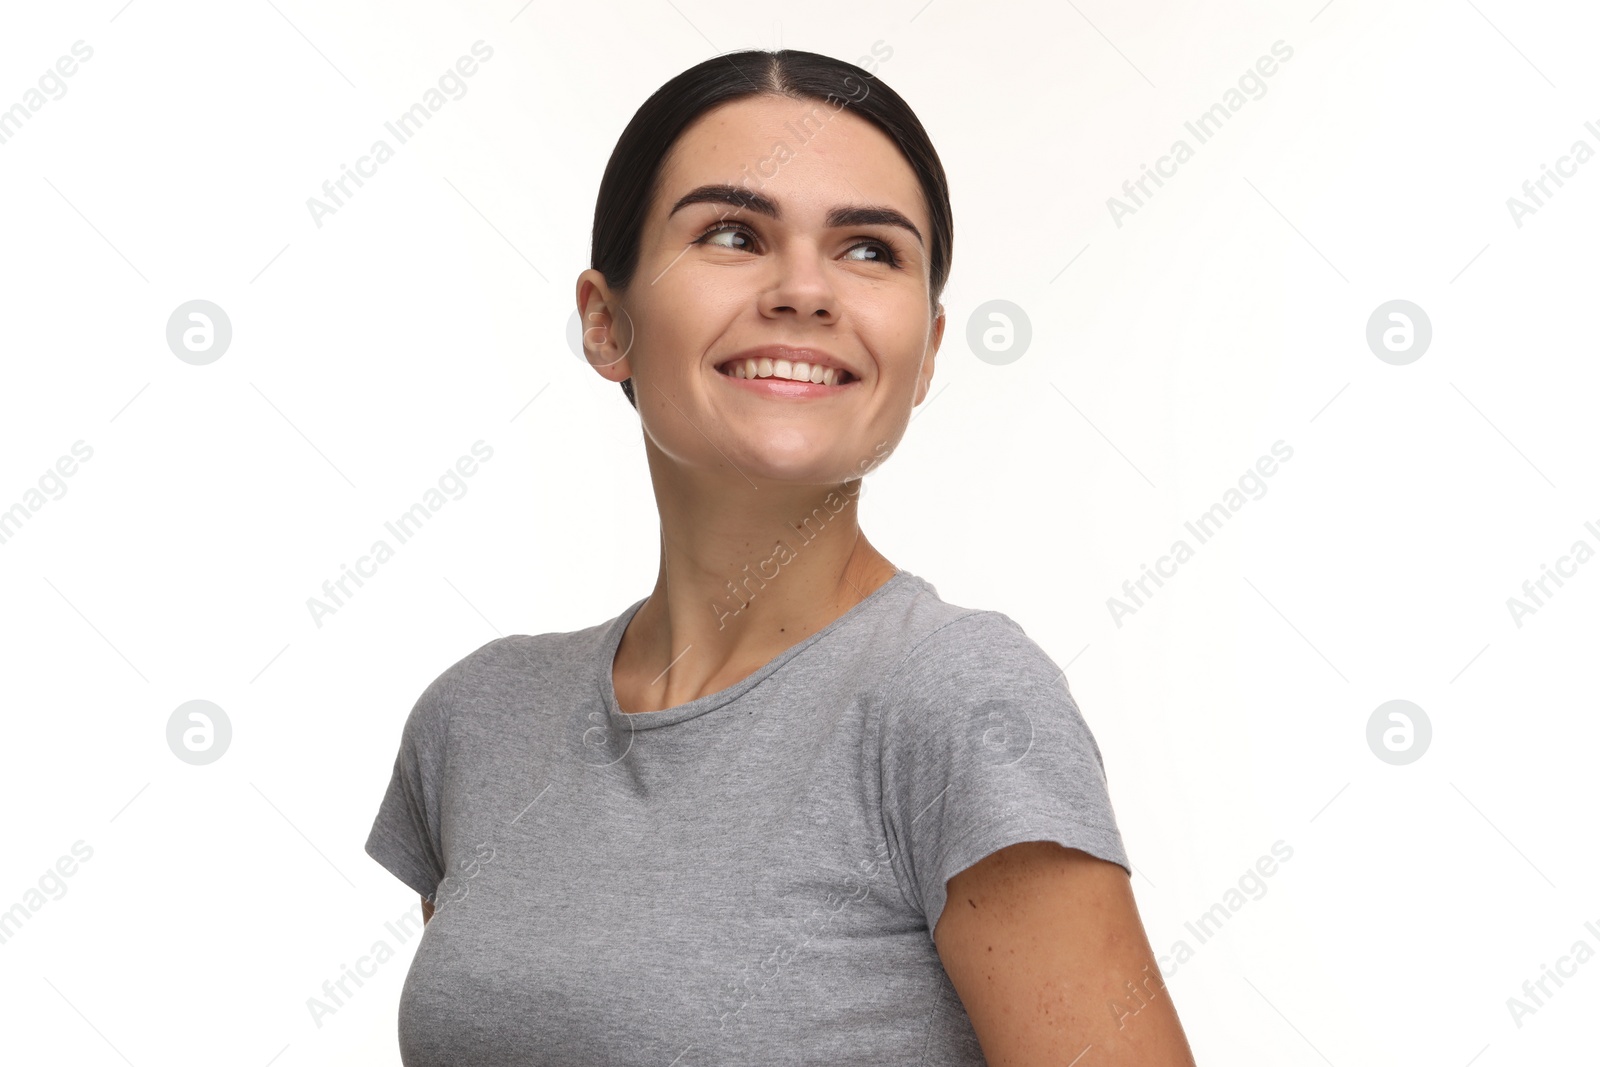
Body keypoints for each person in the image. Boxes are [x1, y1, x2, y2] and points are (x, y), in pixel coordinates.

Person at [364, 47, 1196, 1066]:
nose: (804, 289)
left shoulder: (959, 700)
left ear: (926, 348)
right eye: (730, 234)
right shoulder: (479, 719)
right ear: (605, 320)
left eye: (869, 251)